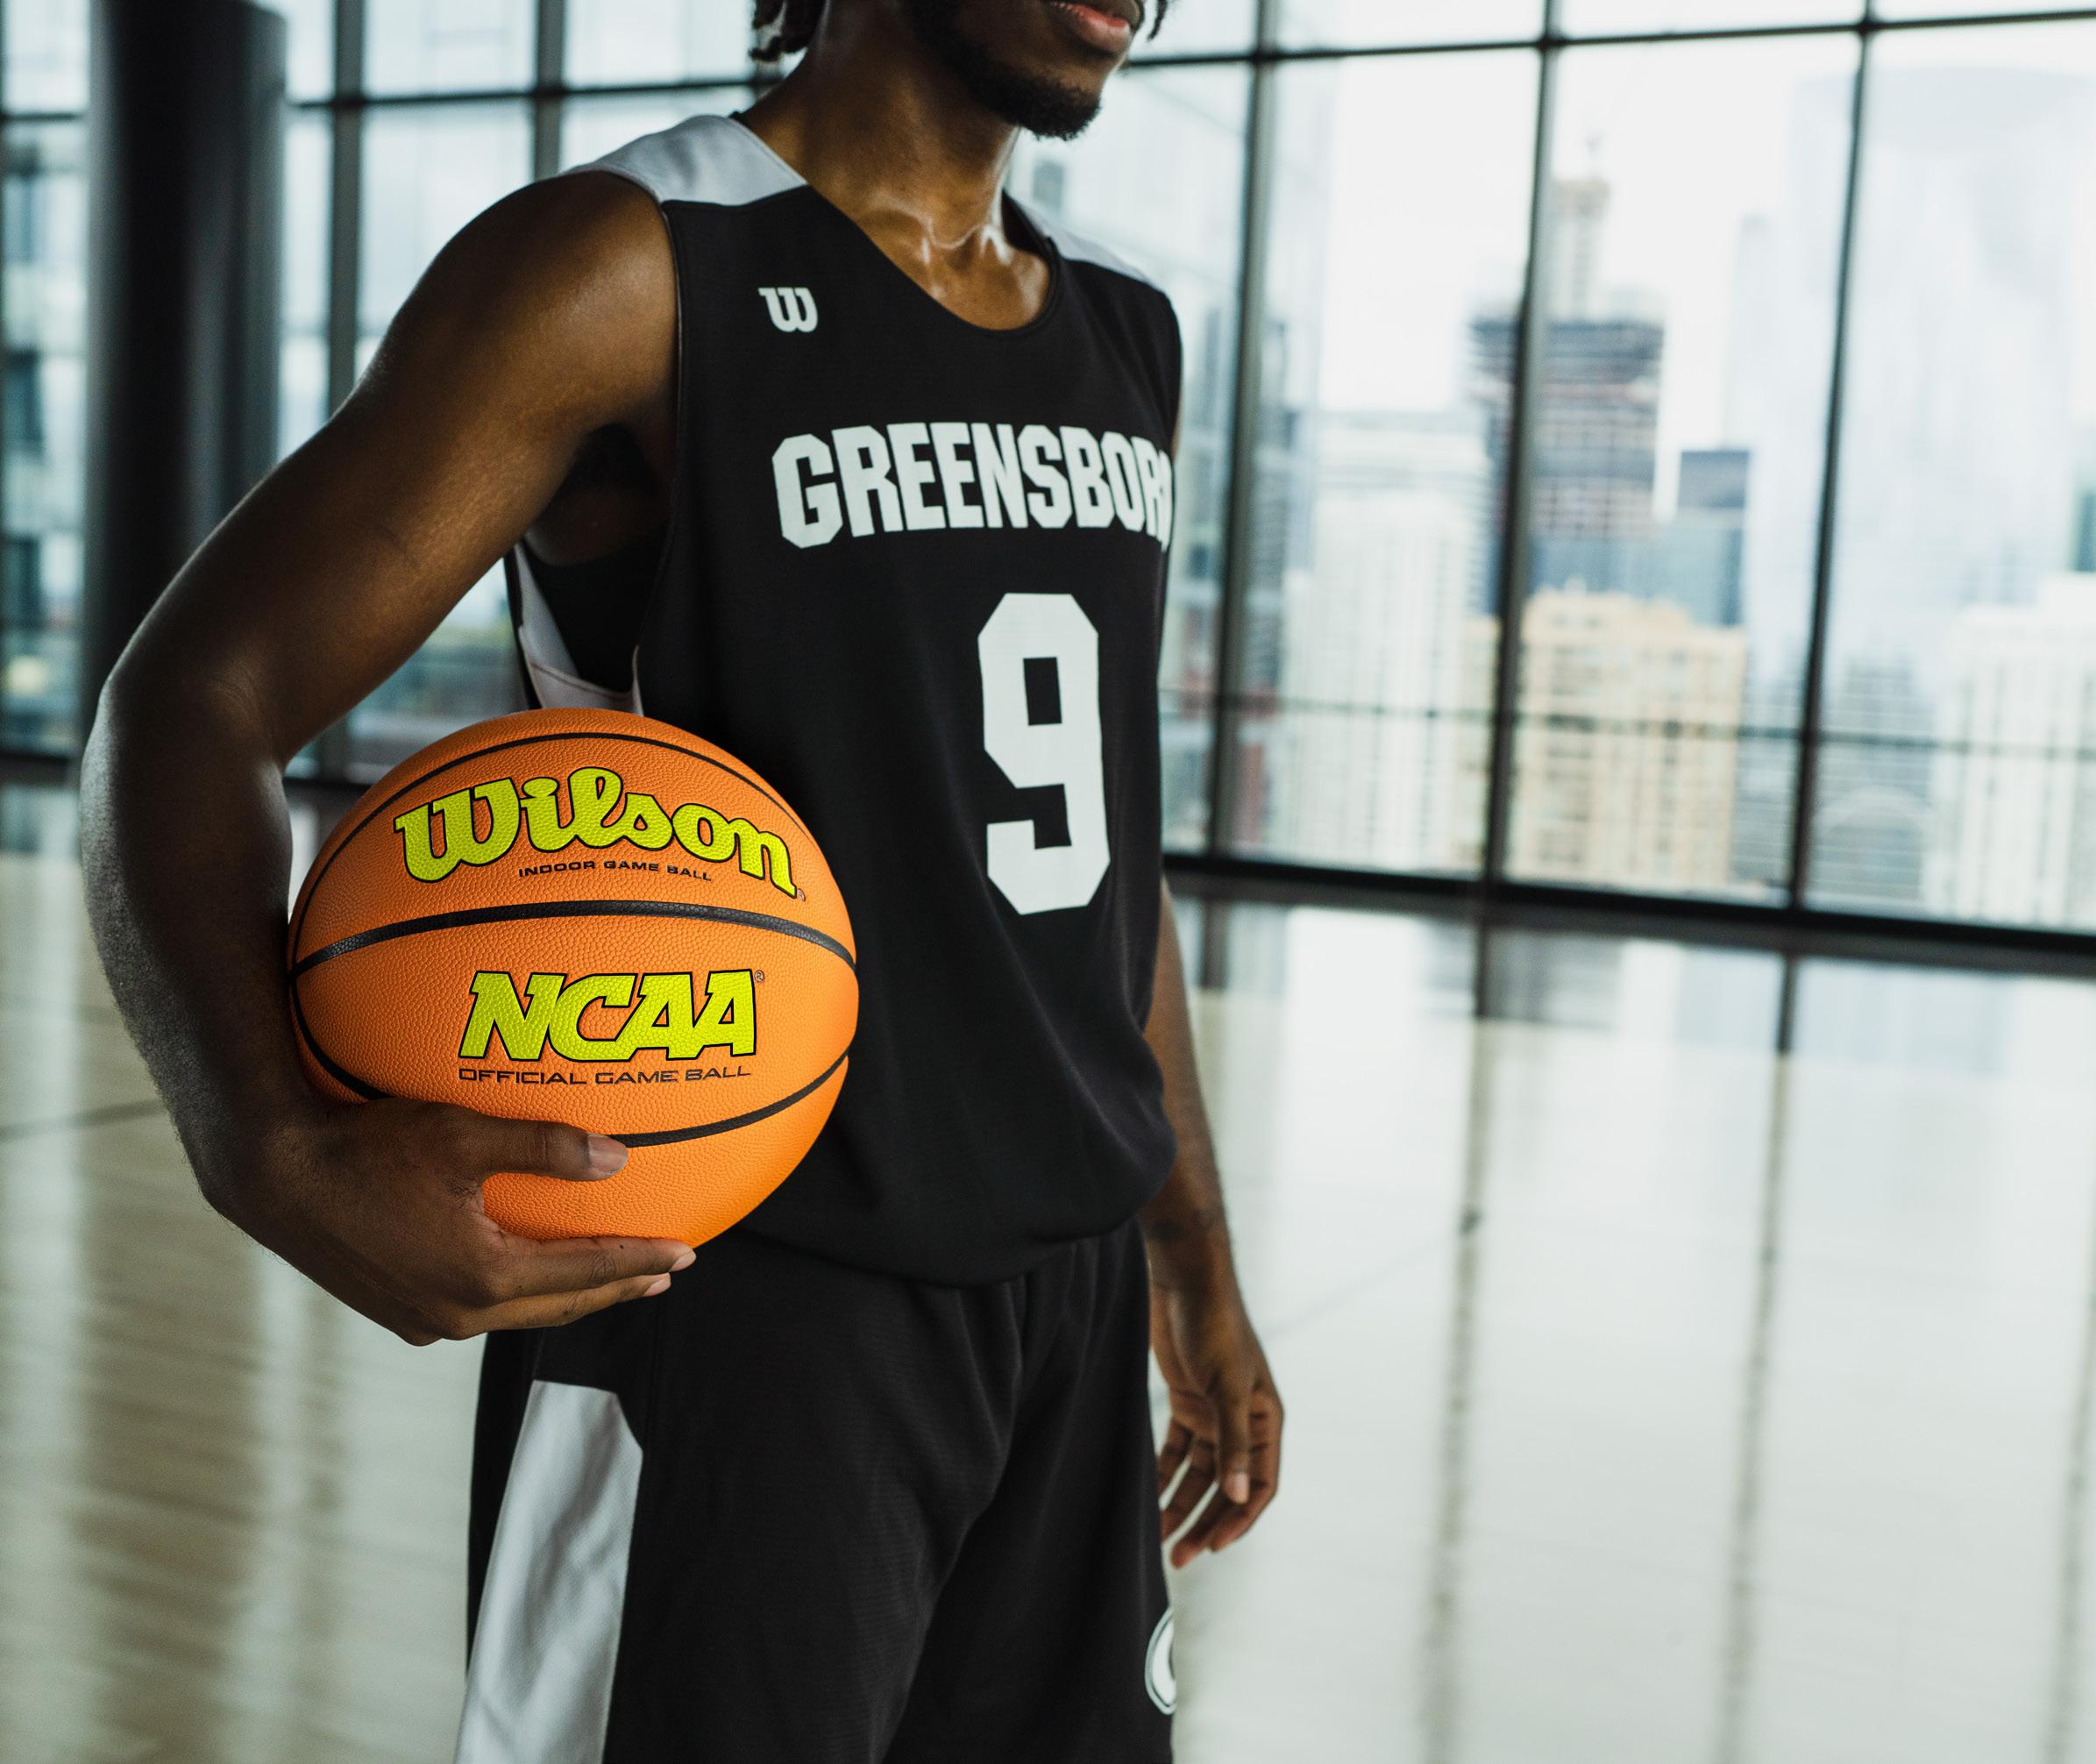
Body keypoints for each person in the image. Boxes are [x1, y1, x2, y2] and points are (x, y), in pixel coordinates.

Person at [80, 0, 1282, 1756]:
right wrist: (266, 1139)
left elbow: (1104, 872)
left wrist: (1194, 1264)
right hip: (731, 1307)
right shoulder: (625, 268)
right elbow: (193, 701)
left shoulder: (1121, 333)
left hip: (1069, 1305)